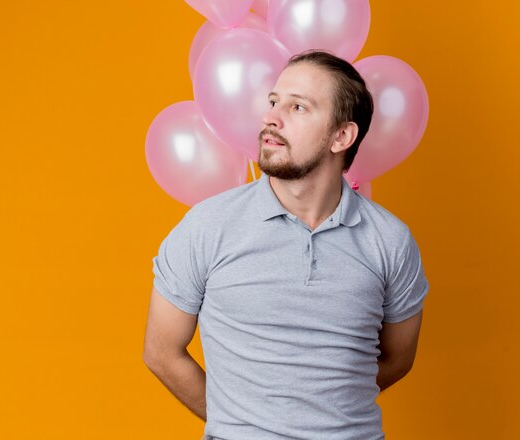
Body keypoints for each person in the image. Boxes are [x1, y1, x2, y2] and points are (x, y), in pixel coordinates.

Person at [143, 50, 429, 440]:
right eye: (274, 101)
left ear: (341, 136)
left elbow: (398, 359)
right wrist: (243, 422)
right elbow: (162, 352)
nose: (271, 117)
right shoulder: (207, 226)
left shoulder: (391, 241)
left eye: (298, 107)